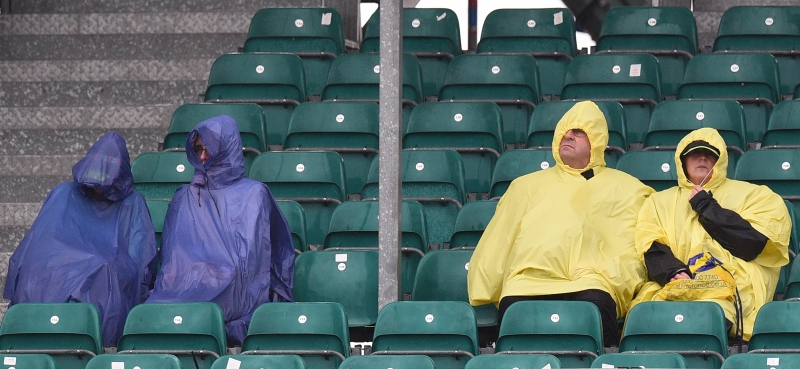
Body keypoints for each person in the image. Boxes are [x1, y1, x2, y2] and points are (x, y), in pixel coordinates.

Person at [467, 101, 654, 347]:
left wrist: (616, 281)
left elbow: (640, 243)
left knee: (599, 325)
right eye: (564, 131)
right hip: (527, 283)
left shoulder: (629, 189)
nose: (567, 136)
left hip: (592, 283)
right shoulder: (525, 186)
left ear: (595, 141)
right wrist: (485, 286)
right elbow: (500, 238)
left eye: (578, 132)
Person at [147, 115, 295, 345]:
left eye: (210, 149)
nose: (204, 157)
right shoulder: (185, 196)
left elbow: (253, 261)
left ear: (229, 149)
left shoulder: (254, 194)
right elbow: (172, 262)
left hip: (233, 292)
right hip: (186, 288)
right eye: (198, 150)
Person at [631, 127, 790, 341]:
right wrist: (673, 271)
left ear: (721, 160)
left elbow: (753, 243)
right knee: (648, 321)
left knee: (709, 316)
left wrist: (707, 207)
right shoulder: (658, 202)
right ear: (682, 161)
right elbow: (650, 244)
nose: (703, 157)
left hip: (730, 288)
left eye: (710, 154)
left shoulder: (756, 195)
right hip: (674, 284)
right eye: (695, 153)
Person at [4, 132, 158, 348]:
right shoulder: (64, 193)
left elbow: (139, 262)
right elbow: (38, 246)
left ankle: (90, 344)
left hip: (102, 277)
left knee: (104, 273)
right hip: (59, 270)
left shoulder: (132, 203)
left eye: (111, 164)